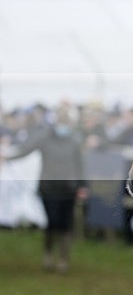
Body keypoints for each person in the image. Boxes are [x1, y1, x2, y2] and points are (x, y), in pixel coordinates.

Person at [0, 104, 89, 272]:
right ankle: (48, 255)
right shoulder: (44, 139)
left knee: (66, 224)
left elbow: (80, 165)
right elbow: (25, 150)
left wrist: (83, 186)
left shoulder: (74, 142)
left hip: (68, 189)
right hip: (49, 188)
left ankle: (63, 258)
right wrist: (7, 156)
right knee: (52, 223)